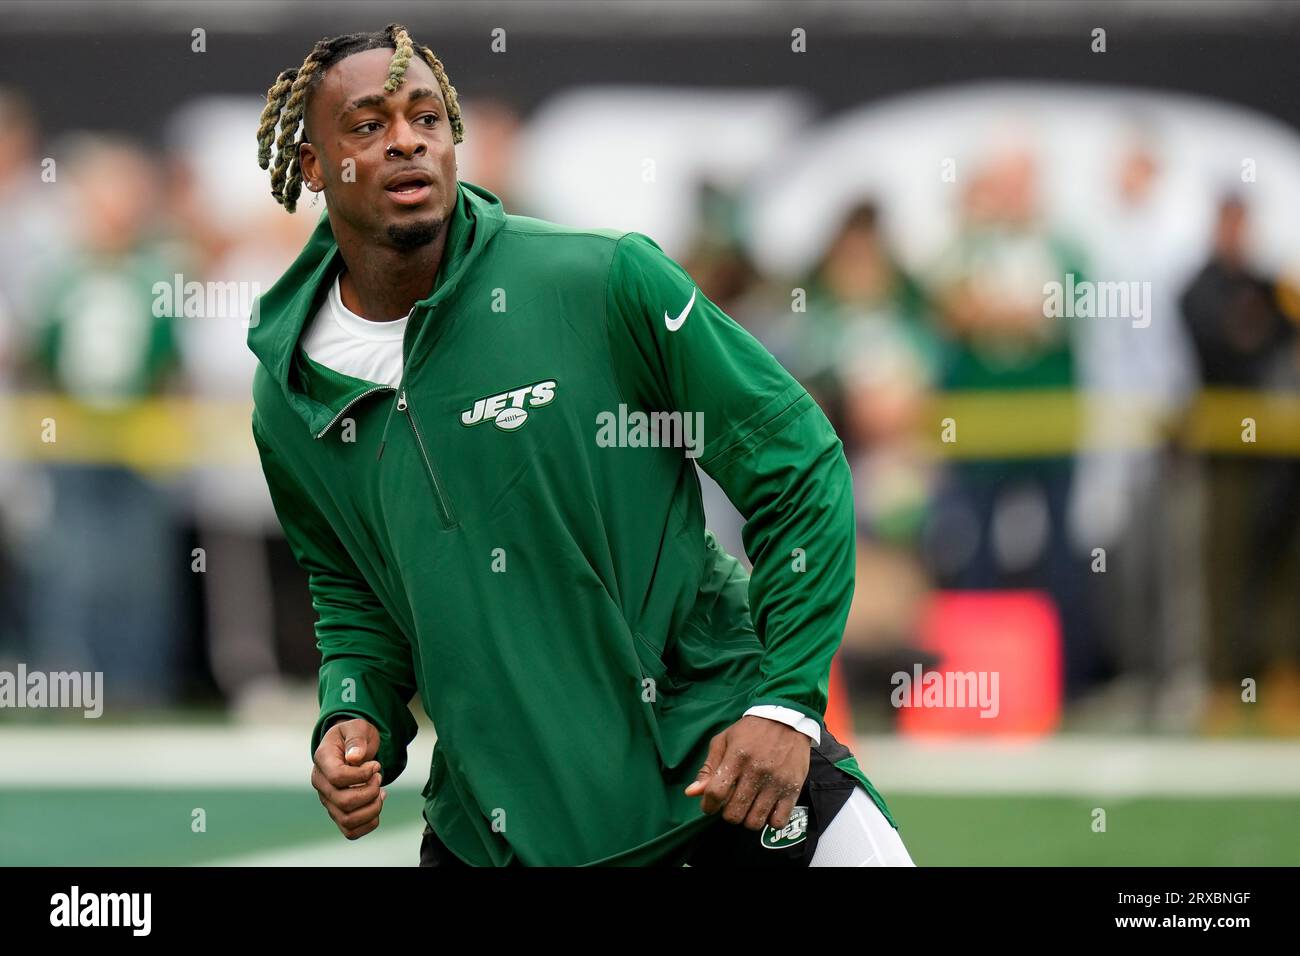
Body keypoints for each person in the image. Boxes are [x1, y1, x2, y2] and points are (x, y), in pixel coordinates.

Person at [248, 23, 912, 867]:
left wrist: (785, 704)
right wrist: (354, 714)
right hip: (499, 834)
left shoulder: (601, 280)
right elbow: (356, 592)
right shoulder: (288, 389)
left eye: (427, 117)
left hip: (730, 777)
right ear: (314, 165)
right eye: (370, 125)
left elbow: (798, 461)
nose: (408, 140)